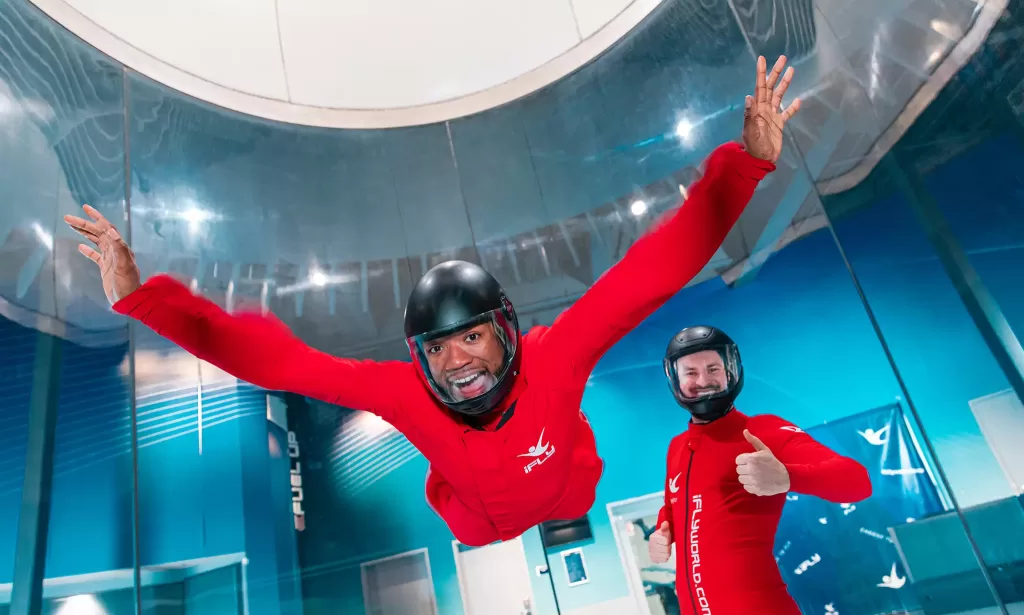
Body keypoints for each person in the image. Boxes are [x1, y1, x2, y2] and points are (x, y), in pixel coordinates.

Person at [66, 56, 802, 548]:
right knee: (465, 514)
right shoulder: (404, 390)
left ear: (506, 332)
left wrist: (746, 168)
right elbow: (276, 360)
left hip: (567, 486)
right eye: (438, 346)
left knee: (577, 476)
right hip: (479, 518)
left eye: (470, 338)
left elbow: (653, 270)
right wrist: (145, 300)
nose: (455, 360)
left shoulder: (556, 354)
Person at [647, 326, 873, 614]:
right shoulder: (676, 448)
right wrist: (663, 533)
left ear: (729, 371)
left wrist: (788, 477)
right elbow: (673, 505)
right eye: (690, 372)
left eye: (713, 368)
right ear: (675, 380)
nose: (703, 380)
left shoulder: (763, 429)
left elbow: (858, 480)